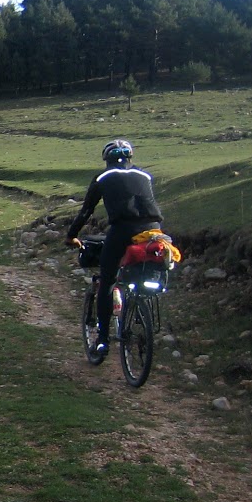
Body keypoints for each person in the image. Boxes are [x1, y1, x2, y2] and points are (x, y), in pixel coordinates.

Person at [64, 138, 163, 364]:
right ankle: (138, 305)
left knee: (107, 281)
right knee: (140, 270)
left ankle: (102, 340)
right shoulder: (145, 175)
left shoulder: (103, 178)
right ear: (130, 158)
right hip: (154, 231)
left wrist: (71, 236)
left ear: (106, 159)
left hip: (122, 230)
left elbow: (86, 211)